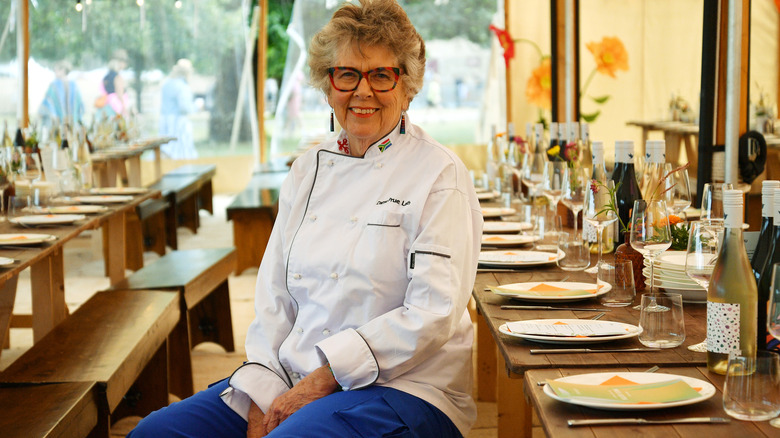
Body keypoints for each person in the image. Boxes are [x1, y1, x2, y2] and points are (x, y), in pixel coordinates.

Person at [129, 0, 481, 436]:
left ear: (407, 84)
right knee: (154, 434)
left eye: (381, 75)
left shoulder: (439, 174)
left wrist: (324, 378)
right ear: (327, 83)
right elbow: (274, 297)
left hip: (406, 387)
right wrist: (263, 391)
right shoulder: (306, 169)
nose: (363, 91)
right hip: (295, 375)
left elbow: (433, 312)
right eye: (347, 74)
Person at [159, 58, 197, 159]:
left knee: (165, 146)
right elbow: (185, 107)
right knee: (178, 150)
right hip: (177, 122)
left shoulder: (166, 83)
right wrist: (197, 106)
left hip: (164, 120)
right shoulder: (182, 86)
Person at [38, 60, 85, 127]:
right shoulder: (73, 85)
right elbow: (48, 102)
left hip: (66, 123)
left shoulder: (55, 85)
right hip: (66, 123)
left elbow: (79, 103)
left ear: (63, 70)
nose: (55, 72)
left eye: (56, 70)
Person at [94, 49, 129, 119]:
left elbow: (102, 91)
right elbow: (119, 93)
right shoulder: (117, 77)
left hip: (106, 105)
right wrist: (124, 107)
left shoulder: (105, 78)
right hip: (116, 106)